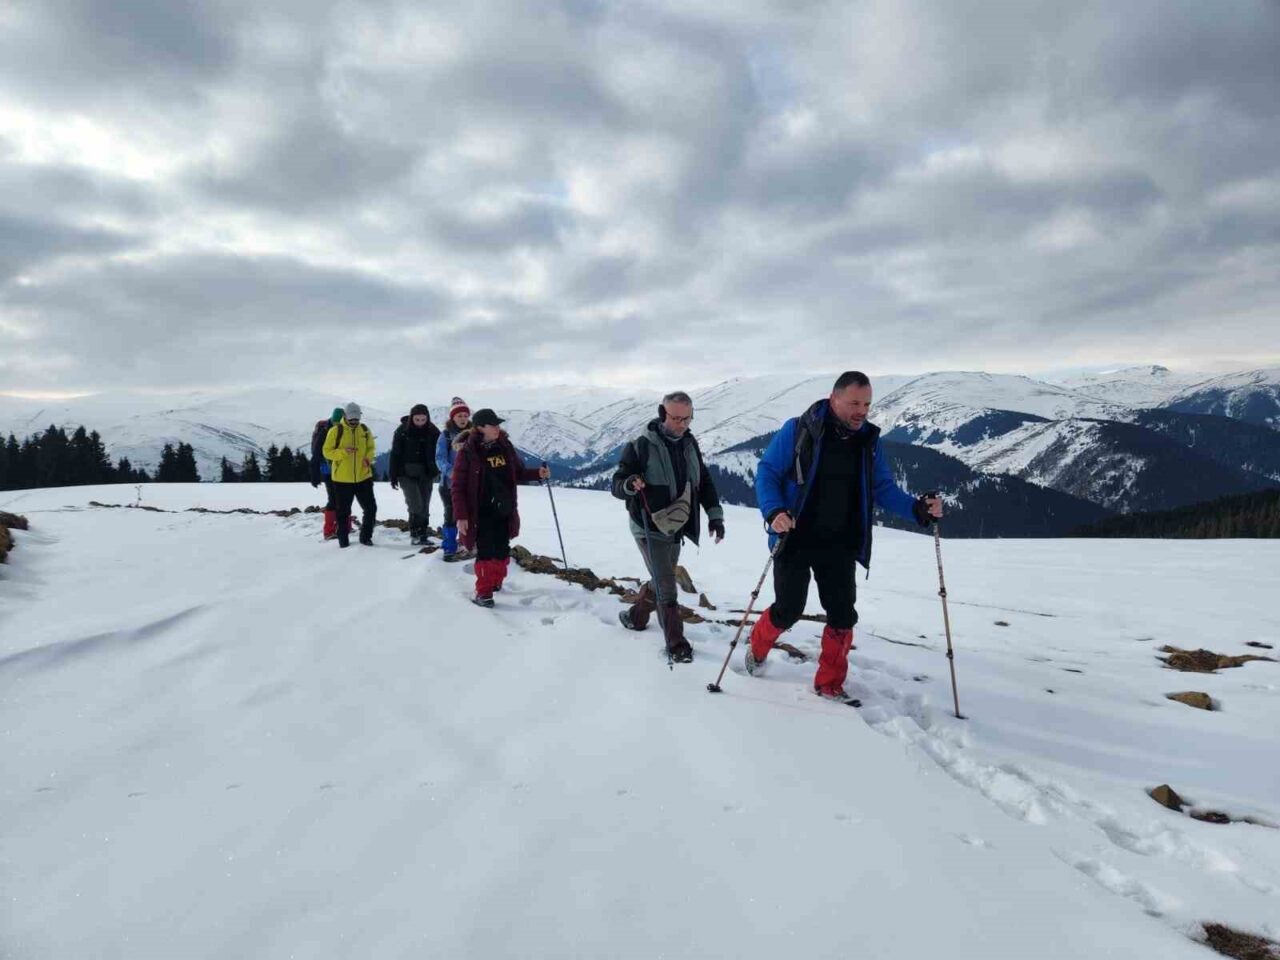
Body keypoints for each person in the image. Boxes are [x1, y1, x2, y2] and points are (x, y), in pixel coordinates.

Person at [746, 371, 943, 701]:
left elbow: (882, 488)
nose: (861, 411)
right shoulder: (798, 429)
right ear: (833, 398)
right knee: (788, 608)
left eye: (866, 403)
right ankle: (758, 643)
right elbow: (767, 472)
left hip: (839, 541)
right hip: (794, 536)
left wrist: (916, 509)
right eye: (854, 403)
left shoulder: (868, 441)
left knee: (842, 613)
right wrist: (774, 511)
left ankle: (830, 682)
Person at [611, 391, 725, 663]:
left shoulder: (689, 443)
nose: (682, 424)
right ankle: (676, 644)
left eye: (687, 419)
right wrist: (630, 484)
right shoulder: (641, 444)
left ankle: (635, 617)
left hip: (677, 525)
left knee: (663, 578)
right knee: (667, 586)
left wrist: (715, 515)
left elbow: (704, 481)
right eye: (676, 418)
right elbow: (616, 483)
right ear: (663, 414)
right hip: (648, 526)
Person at [451, 408, 549, 606]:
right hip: (481, 512)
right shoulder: (468, 452)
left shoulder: (505, 446)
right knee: (487, 551)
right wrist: (461, 516)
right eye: (492, 425)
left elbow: (518, 472)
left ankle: (495, 581)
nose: (497, 428)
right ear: (480, 427)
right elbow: (457, 487)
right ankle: (484, 592)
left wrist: (537, 474)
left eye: (497, 424)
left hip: (504, 508)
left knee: (502, 549)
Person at [322, 401, 378, 548]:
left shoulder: (365, 430)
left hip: (363, 477)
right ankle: (343, 539)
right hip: (341, 479)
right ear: (345, 416)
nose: (354, 422)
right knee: (343, 511)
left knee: (370, 508)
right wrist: (343, 452)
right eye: (351, 419)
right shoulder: (335, 431)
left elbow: (371, 447)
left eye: (356, 419)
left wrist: (368, 458)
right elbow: (327, 451)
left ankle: (366, 537)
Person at [389, 403, 442, 545]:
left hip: (426, 473)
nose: (419, 423)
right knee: (415, 504)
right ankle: (415, 533)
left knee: (424, 505)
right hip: (405, 473)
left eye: (423, 420)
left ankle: (423, 534)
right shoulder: (401, 431)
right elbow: (395, 454)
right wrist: (393, 475)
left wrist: (437, 469)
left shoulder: (434, 431)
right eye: (417, 420)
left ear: (427, 418)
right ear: (412, 418)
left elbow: (440, 452)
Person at [436, 397, 472, 561]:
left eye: (465, 415)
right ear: (453, 417)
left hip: (469, 484)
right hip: (449, 485)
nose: (463, 419)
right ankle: (449, 548)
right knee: (451, 515)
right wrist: (453, 472)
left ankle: (466, 544)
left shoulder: (473, 434)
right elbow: (440, 458)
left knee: (470, 515)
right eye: (460, 416)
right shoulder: (445, 436)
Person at [310, 407, 344, 540]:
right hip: (328, 470)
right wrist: (314, 475)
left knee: (344, 498)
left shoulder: (342, 429)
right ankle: (329, 531)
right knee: (333, 499)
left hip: (341, 469)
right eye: (336, 423)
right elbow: (316, 454)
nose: (337, 426)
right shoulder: (324, 432)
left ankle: (344, 526)